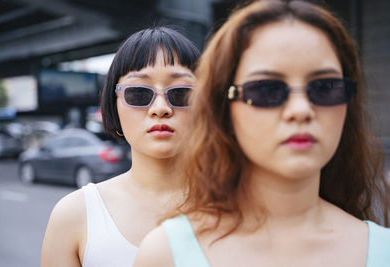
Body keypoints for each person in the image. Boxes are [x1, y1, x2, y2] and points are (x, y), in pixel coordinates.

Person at [133, 1, 390, 266]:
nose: (301, 110)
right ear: (223, 107)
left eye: (325, 87)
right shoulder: (166, 254)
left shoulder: (383, 250)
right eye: (267, 89)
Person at [40, 26, 200, 267]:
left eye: (181, 93)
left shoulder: (243, 209)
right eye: (138, 93)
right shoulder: (74, 215)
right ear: (114, 105)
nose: (160, 108)